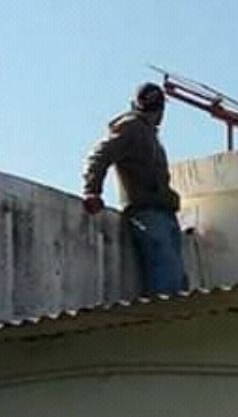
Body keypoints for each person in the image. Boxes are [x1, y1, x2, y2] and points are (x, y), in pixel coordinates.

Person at [82, 82, 188, 295]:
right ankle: (163, 322)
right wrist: (92, 190)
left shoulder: (145, 131)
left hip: (160, 211)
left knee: (176, 279)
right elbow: (99, 156)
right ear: (160, 109)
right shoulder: (132, 127)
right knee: (167, 278)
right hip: (147, 211)